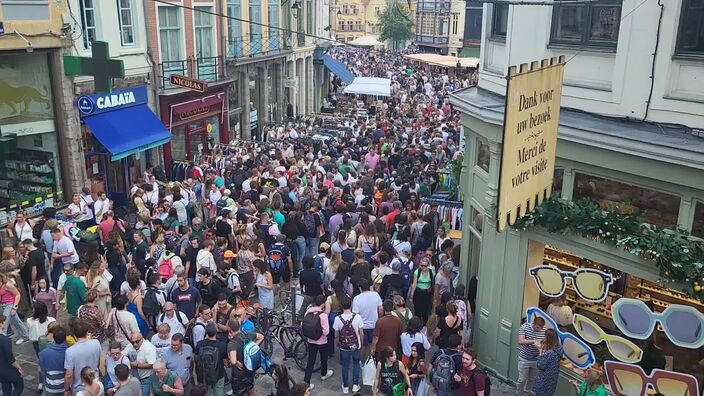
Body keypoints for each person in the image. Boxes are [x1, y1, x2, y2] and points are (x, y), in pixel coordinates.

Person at [333, 295, 364, 394]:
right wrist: (361, 343)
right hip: (356, 345)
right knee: (356, 364)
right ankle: (355, 385)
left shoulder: (338, 319)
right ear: (351, 305)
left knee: (345, 366)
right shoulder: (357, 317)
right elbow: (361, 332)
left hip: (344, 346)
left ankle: (345, 386)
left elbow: (336, 335)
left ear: (341, 306)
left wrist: (337, 344)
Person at [303, 294, 334, 389]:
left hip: (310, 340)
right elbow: (326, 331)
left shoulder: (308, 311)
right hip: (322, 342)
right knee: (323, 358)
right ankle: (324, 374)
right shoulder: (323, 315)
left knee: (311, 360)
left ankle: (306, 382)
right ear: (323, 304)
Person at [227, 319, 264, 396]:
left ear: (229, 329)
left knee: (240, 393)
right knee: (250, 388)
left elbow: (233, 361)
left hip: (239, 374)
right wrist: (254, 345)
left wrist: (236, 362)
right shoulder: (247, 334)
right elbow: (261, 337)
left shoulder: (232, 343)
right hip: (250, 369)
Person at [64, 319, 102, 394]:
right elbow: (98, 362)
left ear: (74, 335)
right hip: (95, 381)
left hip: (79, 386)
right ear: (86, 333)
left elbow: (69, 375)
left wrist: (66, 389)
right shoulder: (96, 343)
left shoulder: (70, 351)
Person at [351, 278, 383, 362]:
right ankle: (372, 361)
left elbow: (355, 315)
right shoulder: (376, 295)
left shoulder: (356, 299)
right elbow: (380, 310)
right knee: (373, 345)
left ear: (359, 287)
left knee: (363, 346)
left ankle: (362, 362)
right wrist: (379, 319)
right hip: (374, 325)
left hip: (362, 327)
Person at [516, 316, 546, 396]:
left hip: (536, 359)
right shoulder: (524, 327)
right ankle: (519, 394)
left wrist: (542, 346)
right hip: (524, 358)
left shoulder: (543, 330)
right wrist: (534, 341)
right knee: (522, 379)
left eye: (541, 328)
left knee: (532, 379)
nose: (539, 330)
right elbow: (520, 341)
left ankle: (527, 393)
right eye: (537, 327)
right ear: (533, 323)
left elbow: (545, 342)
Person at [195, 322, 227, 395]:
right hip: (219, 374)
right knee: (219, 391)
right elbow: (225, 362)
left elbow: (196, 358)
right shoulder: (222, 345)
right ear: (216, 332)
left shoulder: (200, 344)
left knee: (207, 393)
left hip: (204, 375)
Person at [0, 271, 29, 344]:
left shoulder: (7, 285)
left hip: (9, 305)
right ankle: (25, 335)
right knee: (16, 321)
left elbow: (17, 294)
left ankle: (3, 342)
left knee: (4, 324)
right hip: (2, 305)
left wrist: (14, 307)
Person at [39, 325, 68, 394]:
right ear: (65, 338)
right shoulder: (69, 352)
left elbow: (41, 370)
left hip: (50, 387)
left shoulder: (43, 353)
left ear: (53, 338)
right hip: (65, 387)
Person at [0, 314, 24, 396]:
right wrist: (19, 368)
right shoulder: (5, 340)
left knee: (6, 387)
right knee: (19, 386)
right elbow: (11, 359)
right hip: (9, 370)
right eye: (3, 322)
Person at [532, 328, 562, 396]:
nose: (543, 338)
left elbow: (540, 365)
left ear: (548, 339)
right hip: (553, 379)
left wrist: (540, 350)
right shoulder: (559, 348)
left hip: (544, 380)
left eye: (545, 336)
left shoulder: (549, 353)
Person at [409, 257, 434, 325]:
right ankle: (417, 324)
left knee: (425, 312)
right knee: (417, 311)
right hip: (418, 293)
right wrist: (411, 296)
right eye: (422, 265)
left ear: (428, 266)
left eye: (425, 266)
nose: (423, 267)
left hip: (426, 294)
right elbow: (414, 284)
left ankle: (425, 325)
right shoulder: (417, 271)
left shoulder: (431, 272)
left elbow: (432, 283)